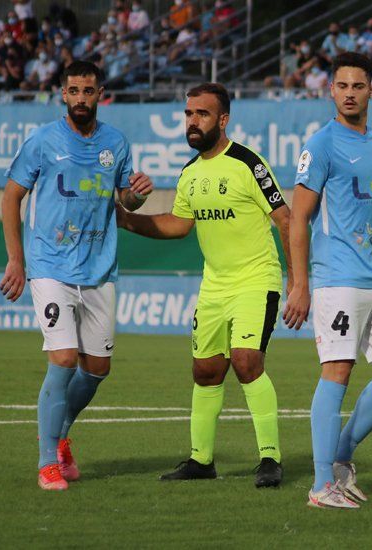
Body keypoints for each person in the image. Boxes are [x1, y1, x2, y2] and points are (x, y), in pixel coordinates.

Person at [116, 83, 289, 488]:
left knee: (247, 362)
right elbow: (178, 225)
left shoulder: (248, 163)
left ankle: (270, 458)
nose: (193, 122)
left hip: (255, 280)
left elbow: (286, 218)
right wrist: (125, 219)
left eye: (203, 114)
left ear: (223, 119)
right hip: (214, 287)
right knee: (206, 371)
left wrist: (299, 281)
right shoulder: (191, 172)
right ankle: (201, 460)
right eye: (189, 114)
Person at [0, 60, 154, 491]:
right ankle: (48, 460)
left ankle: (59, 432)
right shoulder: (43, 141)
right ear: (62, 94)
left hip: (100, 269)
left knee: (98, 368)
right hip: (50, 267)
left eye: (88, 91)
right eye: (73, 91)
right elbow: (11, 198)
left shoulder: (115, 142)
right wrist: (17, 260)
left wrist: (136, 195)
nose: (81, 98)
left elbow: (124, 200)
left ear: (100, 93)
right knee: (64, 359)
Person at [285, 52, 372, 509]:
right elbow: (298, 218)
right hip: (338, 277)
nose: (348, 93)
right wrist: (299, 283)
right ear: (331, 91)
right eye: (341, 86)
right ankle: (322, 485)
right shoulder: (320, 144)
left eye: (357, 86)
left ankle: (341, 456)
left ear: (371, 90)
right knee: (337, 370)